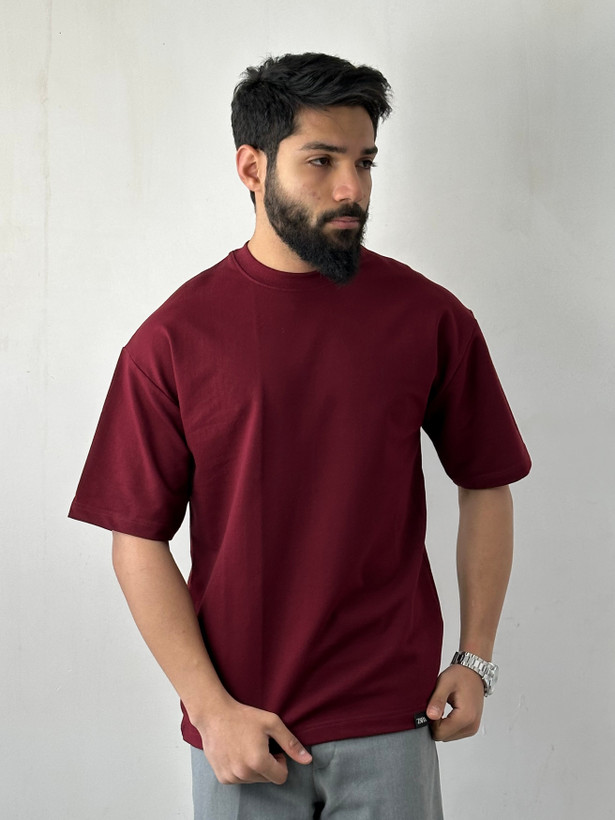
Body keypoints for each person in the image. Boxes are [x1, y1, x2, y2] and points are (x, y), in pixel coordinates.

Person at [69, 52, 531, 819]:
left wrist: (474, 657)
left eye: (364, 162)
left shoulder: (428, 318)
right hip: (242, 733)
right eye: (321, 161)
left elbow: (486, 482)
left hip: (392, 716)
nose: (352, 188)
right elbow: (136, 538)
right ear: (252, 167)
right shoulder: (174, 339)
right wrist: (210, 710)